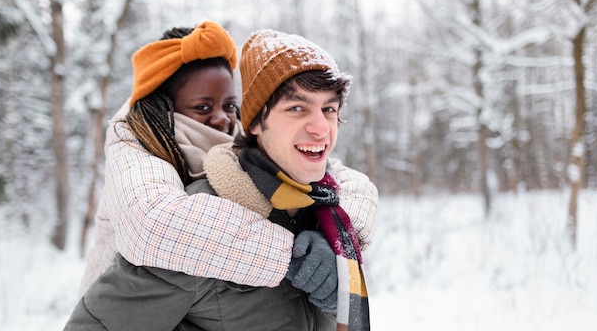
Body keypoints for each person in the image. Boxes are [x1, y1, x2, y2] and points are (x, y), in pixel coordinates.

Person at [47, 27, 378, 331]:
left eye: (330, 109)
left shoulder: (309, 198)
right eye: (296, 107)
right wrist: (289, 256)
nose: (320, 126)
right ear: (257, 121)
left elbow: (350, 184)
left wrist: (338, 245)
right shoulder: (181, 213)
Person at [79, 21, 378, 299]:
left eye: (230, 105)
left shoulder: (235, 143)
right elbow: (150, 222)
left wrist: (337, 238)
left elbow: (346, 181)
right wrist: (293, 255)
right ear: (164, 108)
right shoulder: (134, 141)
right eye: (202, 106)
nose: (222, 117)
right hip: (122, 320)